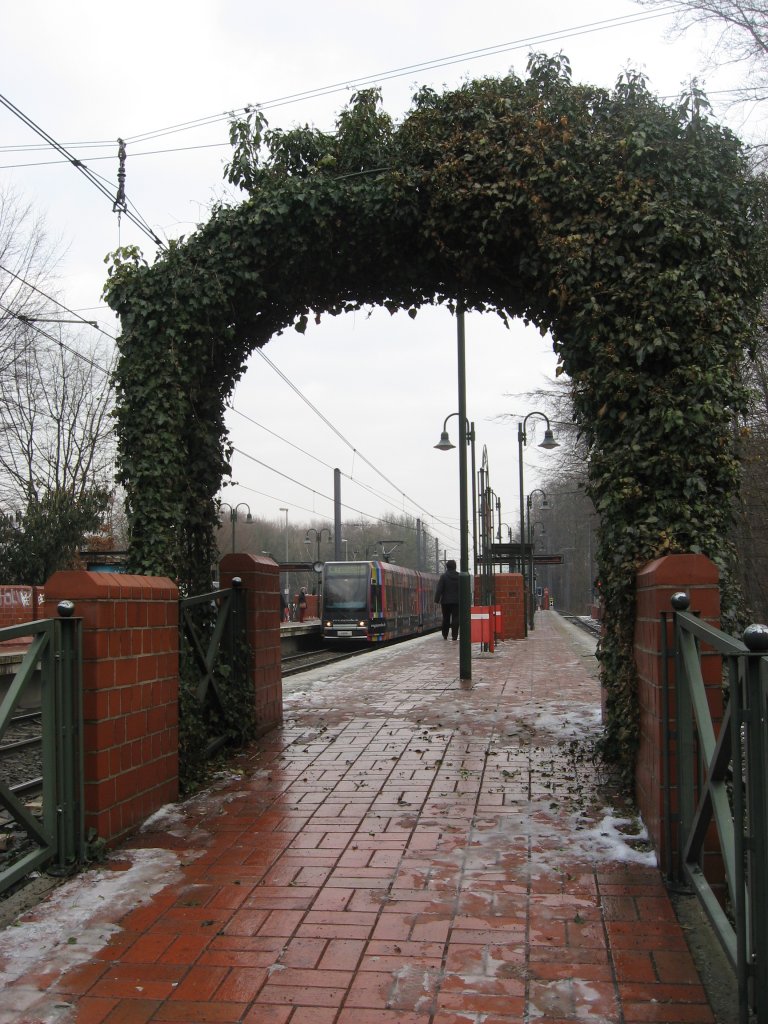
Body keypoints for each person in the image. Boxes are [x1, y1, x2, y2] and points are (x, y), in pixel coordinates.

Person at [434, 559, 460, 640]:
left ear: (447, 567)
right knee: (456, 618)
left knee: (446, 618)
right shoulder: (460, 576)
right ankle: (454, 635)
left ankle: (445, 634)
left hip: (445, 602)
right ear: (455, 567)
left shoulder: (443, 576)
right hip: (457, 601)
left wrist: (436, 600)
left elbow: (439, 589)